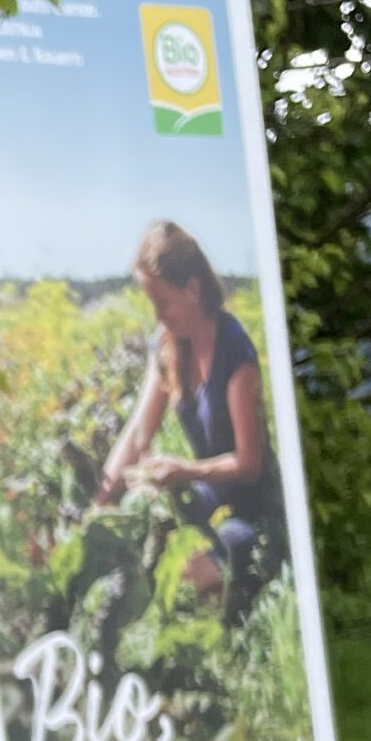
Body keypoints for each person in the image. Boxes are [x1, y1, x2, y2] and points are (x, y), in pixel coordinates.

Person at [95, 218, 283, 598]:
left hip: (255, 512)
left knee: (185, 578)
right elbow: (138, 434)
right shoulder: (167, 345)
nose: (158, 316)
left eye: (163, 303)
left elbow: (250, 464)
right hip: (207, 499)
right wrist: (99, 506)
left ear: (193, 290)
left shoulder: (234, 352)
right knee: (140, 553)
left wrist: (185, 471)